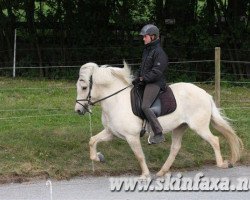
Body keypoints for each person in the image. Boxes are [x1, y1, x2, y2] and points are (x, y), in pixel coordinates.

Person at [133, 24, 168, 144]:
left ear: (153, 37)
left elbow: (156, 72)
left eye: (145, 36)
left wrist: (143, 79)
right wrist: (137, 77)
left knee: (145, 106)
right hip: (146, 80)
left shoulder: (159, 53)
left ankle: (158, 133)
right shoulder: (147, 51)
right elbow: (142, 67)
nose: (143, 38)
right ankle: (143, 126)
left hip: (155, 83)